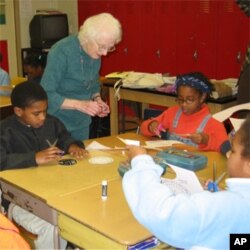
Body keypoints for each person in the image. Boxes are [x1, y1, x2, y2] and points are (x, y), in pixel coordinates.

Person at [122, 115, 250, 249]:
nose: (229, 156)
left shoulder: (226, 207)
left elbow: (161, 213)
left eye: (233, 151)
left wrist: (141, 161)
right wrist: (224, 195)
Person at [0, 81, 87, 249]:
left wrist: (72, 146)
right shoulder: (5, 130)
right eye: (36, 113)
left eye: (45, 111)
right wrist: (33, 158)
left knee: (80, 214)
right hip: (17, 200)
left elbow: (64, 138)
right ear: (18, 111)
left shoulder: (51, 123)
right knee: (54, 226)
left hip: (53, 191)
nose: (43, 117)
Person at [41, 12, 122, 140]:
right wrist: (80, 105)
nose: (105, 53)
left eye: (110, 48)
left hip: (81, 124)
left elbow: (93, 82)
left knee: (81, 158)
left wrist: (97, 100)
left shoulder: (95, 53)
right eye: (102, 47)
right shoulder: (61, 51)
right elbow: (45, 94)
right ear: (86, 38)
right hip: (56, 124)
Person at [140, 72, 230, 153]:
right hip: (172, 162)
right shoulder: (172, 114)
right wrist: (151, 126)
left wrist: (207, 140)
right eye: (180, 99)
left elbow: (227, 149)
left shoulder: (213, 124)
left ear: (202, 97)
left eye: (189, 100)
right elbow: (143, 129)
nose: (183, 104)